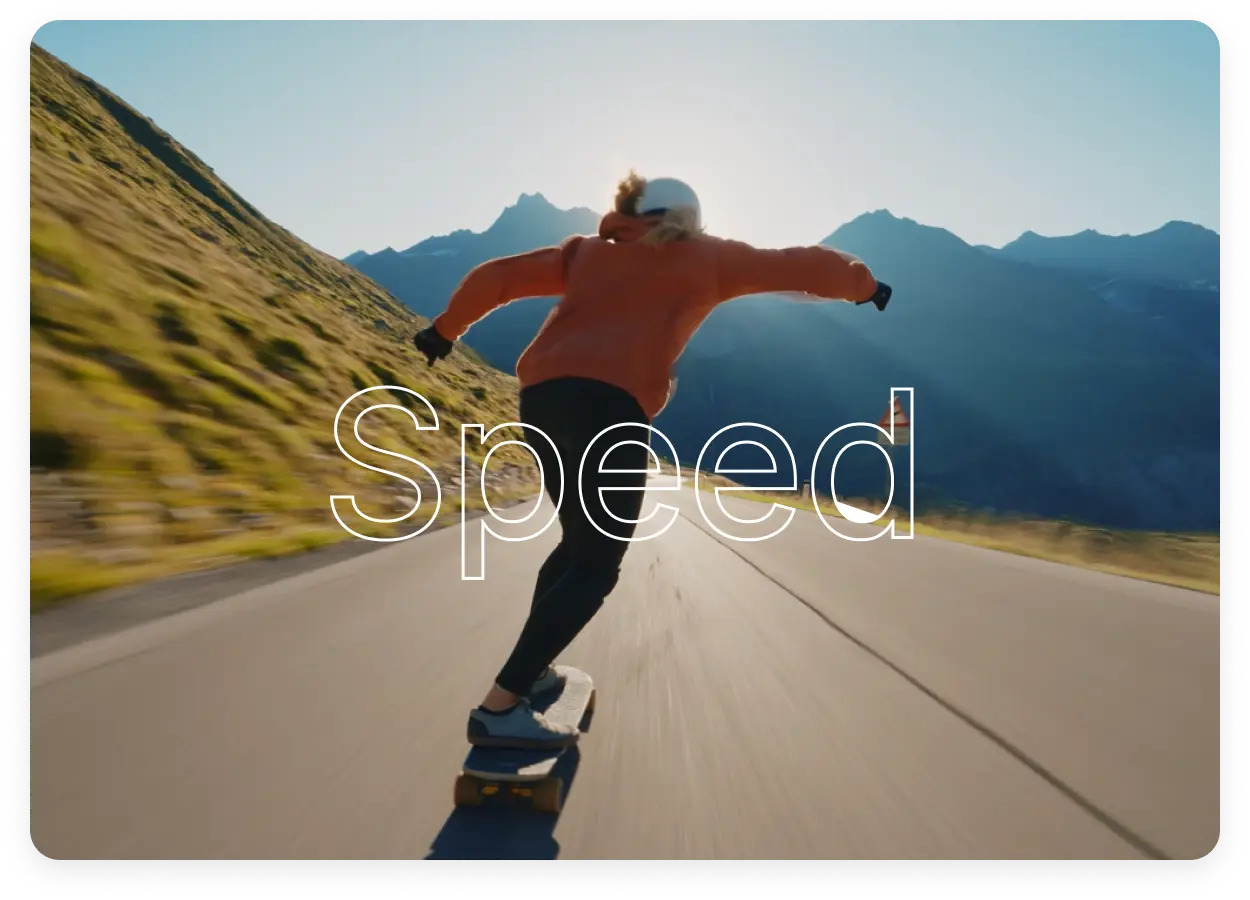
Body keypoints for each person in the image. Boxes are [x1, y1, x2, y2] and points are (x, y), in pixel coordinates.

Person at [412, 171, 891, 750]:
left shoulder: (583, 253)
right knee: (595, 568)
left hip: (540, 404)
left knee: (575, 549)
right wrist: (865, 287)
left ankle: (533, 673)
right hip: (608, 411)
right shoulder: (709, 258)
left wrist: (444, 331)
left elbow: (501, 277)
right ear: (687, 219)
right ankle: (499, 707)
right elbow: (810, 265)